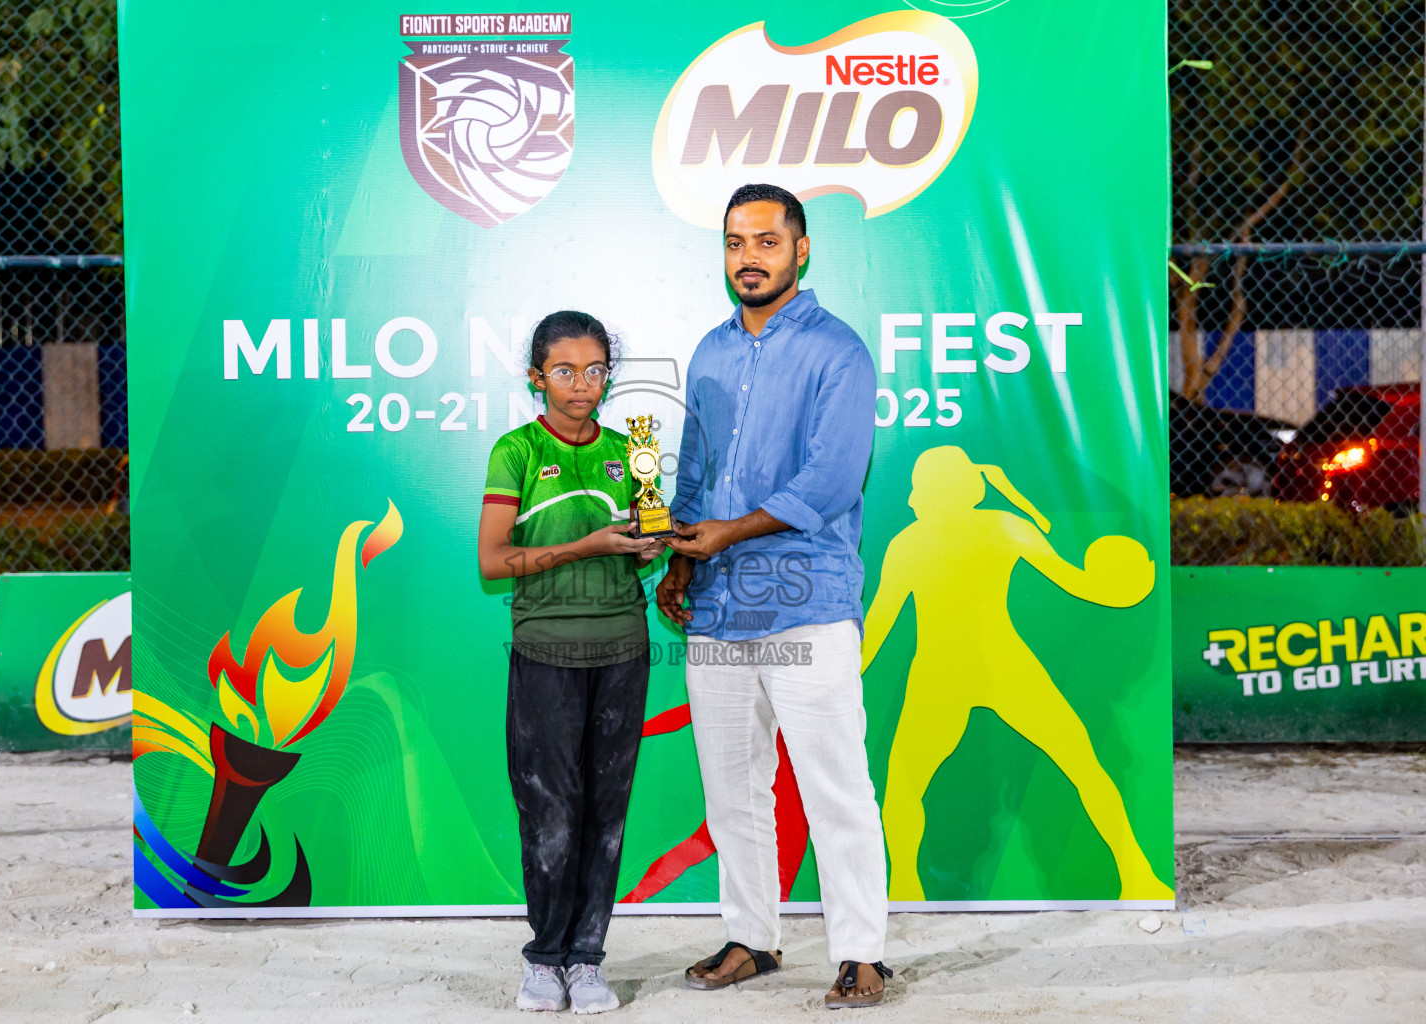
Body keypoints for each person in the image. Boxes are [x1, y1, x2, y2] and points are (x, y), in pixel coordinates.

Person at [657, 183, 892, 1009]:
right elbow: (694, 469)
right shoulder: (712, 352)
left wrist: (728, 533)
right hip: (718, 605)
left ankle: (862, 950)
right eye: (733, 243)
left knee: (834, 785)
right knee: (731, 785)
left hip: (809, 602)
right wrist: (684, 560)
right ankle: (752, 938)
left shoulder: (839, 352)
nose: (747, 258)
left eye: (764, 241)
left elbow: (828, 482)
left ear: (800, 250)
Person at [861, 445, 1172, 902]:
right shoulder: (1002, 525)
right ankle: (1137, 874)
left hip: (946, 671)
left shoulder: (910, 543)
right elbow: (1080, 582)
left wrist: (841, 676)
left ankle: (905, 887)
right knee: (1082, 764)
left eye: (919, 488)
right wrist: (1127, 584)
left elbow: (877, 628)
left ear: (925, 491)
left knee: (903, 783)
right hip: (999, 664)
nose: (913, 499)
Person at [478, 310, 663, 1013]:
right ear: (537, 377)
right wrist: (587, 545)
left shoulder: (627, 450)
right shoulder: (516, 452)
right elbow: (493, 562)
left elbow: (644, 538)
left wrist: (649, 545)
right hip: (546, 652)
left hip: (622, 650)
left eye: (594, 370)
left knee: (605, 813)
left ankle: (587, 959)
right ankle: (543, 959)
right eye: (564, 371)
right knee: (550, 811)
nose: (581, 384)